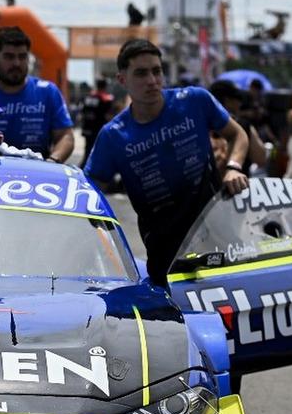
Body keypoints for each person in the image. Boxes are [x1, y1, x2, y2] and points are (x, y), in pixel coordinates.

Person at [84, 38, 249, 287]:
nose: (152, 80)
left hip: (220, 238)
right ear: (122, 80)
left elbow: (238, 134)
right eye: (141, 73)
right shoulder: (113, 136)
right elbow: (90, 190)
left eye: (157, 71)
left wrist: (233, 167)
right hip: (166, 257)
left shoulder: (195, 100)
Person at [0, 27, 74, 162]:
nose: (16, 63)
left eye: (22, 57)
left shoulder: (48, 92)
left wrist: (53, 161)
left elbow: (65, 136)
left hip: (37, 172)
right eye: (9, 57)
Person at [209, 79, 268, 174]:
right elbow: (261, 158)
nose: (240, 103)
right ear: (227, 100)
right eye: (238, 98)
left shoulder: (198, 124)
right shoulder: (243, 125)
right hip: (237, 185)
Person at [78, 78, 115, 169]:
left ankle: (83, 168)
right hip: (99, 130)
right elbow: (109, 115)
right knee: (97, 152)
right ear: (105, 86)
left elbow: (82, 112)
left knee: (87, 149)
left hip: (87, 128)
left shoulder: (87, 97)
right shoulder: (106, 99)